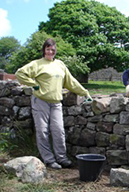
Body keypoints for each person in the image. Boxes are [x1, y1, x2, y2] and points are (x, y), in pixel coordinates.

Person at [15, 38, 92, 170]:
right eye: (48, 49)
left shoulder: (60, 65)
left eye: (53, 49)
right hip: (41, 101)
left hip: (56, 102)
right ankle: (49, 160)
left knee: (58, 130)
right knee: (42, 131)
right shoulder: (37, 64)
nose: (50, 52)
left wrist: (84, 92)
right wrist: (34, 85)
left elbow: (70, 81)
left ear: (55, 50)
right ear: (44, 50)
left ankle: (62, 158)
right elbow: (20, 73)